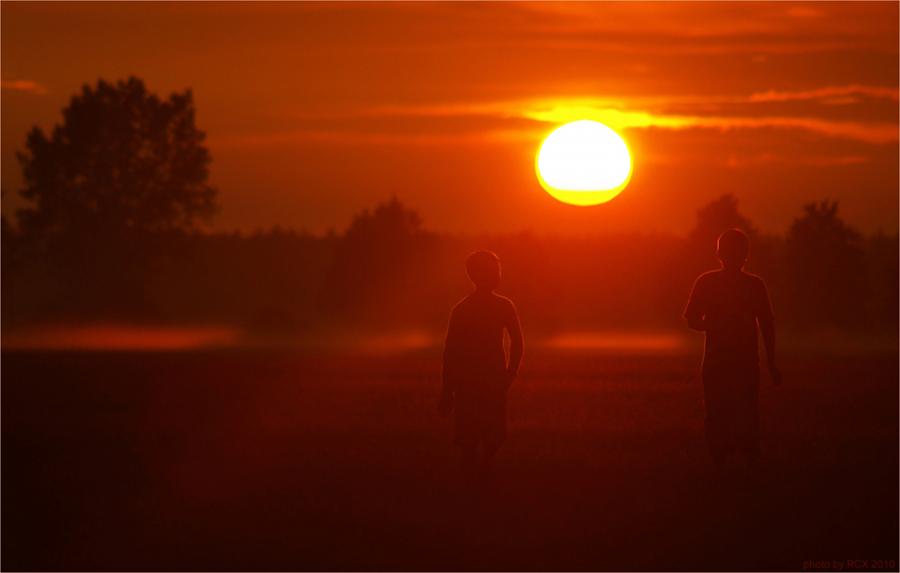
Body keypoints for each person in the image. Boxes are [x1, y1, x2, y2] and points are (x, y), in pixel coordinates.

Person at [684, 229, 781, 467]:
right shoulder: (754, 285)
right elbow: (767, 325)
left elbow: (692, 320)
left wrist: (711, 325)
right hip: (743, 362)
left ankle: (722, 460)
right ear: (745, 254)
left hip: (721, 362)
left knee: (720, 412)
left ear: (719, 253)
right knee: (746, 411)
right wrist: (772, 363)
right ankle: (744, 461)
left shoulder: (707, 282)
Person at [440, 250, 523, 487]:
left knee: (478, 435)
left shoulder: (462, 309)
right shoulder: (499, 306)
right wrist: (510, 372)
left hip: (479, 382)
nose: (498, 275)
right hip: (485, 381)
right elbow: (517, 341)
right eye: (495, 271)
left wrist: (447, 389)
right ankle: (479, 477)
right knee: (485, 434)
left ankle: (477, 476)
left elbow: (450, 352)